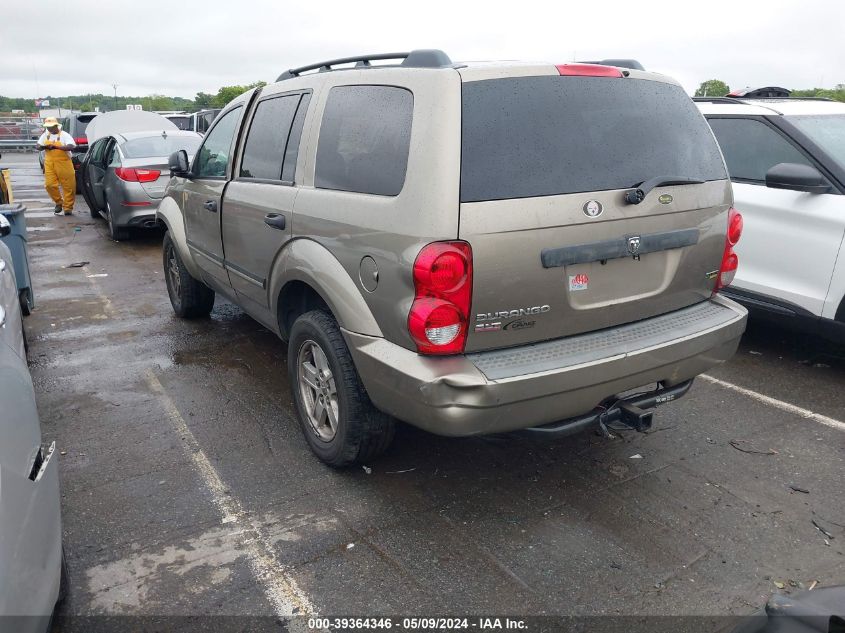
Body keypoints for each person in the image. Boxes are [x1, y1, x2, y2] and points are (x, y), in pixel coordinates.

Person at [36, 117, 76, 215]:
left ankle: (68, 208)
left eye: (50, 127)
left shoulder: (64, 135)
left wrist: (56, 147)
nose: (49, 129)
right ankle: (58, 202)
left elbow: (72, 146)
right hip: (49, 163)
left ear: (56, 125)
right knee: (49, 185)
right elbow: (37, 146)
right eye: (47, 127)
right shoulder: (45, 135)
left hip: (64, 163)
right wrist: (44, 147)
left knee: (69, 186)